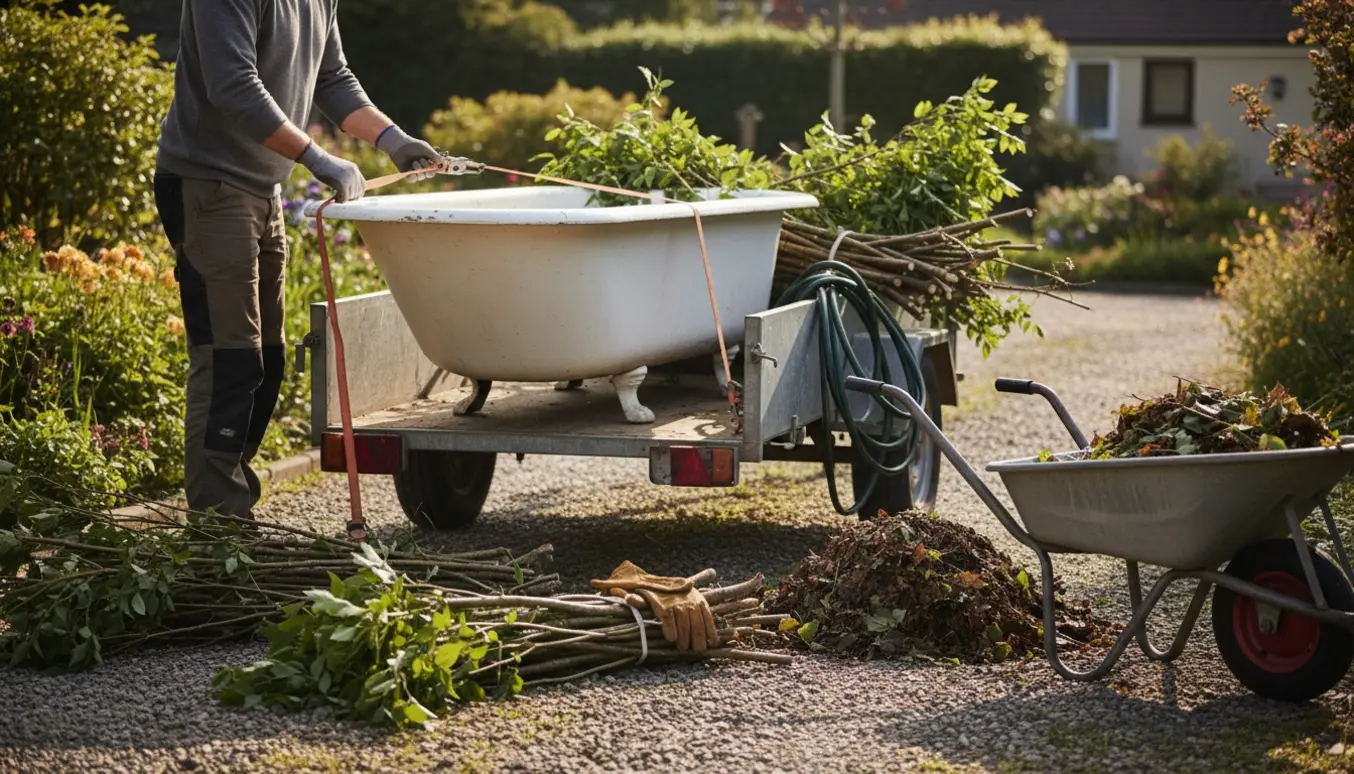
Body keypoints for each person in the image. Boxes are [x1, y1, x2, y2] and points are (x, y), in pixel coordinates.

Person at [152, 0, 439, 537]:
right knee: (228, 360)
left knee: (269, 361)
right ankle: (219, 530)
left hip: (262, 189)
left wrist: (391, 138)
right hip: (207, 186)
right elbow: (232, 84)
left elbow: (332, 77)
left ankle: (230, 506)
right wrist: (316, 157)